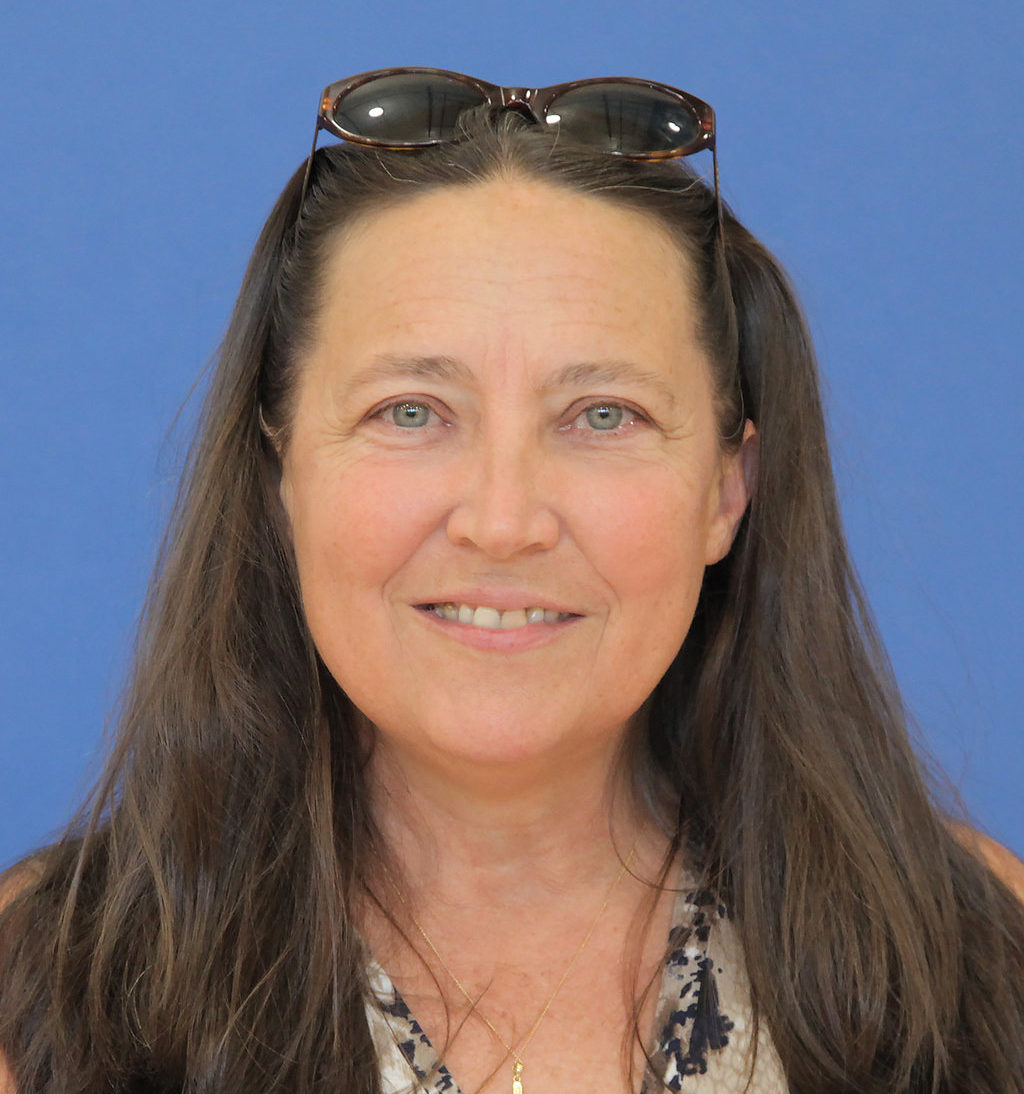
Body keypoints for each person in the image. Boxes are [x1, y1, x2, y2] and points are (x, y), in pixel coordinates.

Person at [1, 68, 1022, 1094]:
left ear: (726, 490)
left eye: (604, 415)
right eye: (410, 411)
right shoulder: (45, 992)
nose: (502, 521)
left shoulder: (976, 955)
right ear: (280, 475)